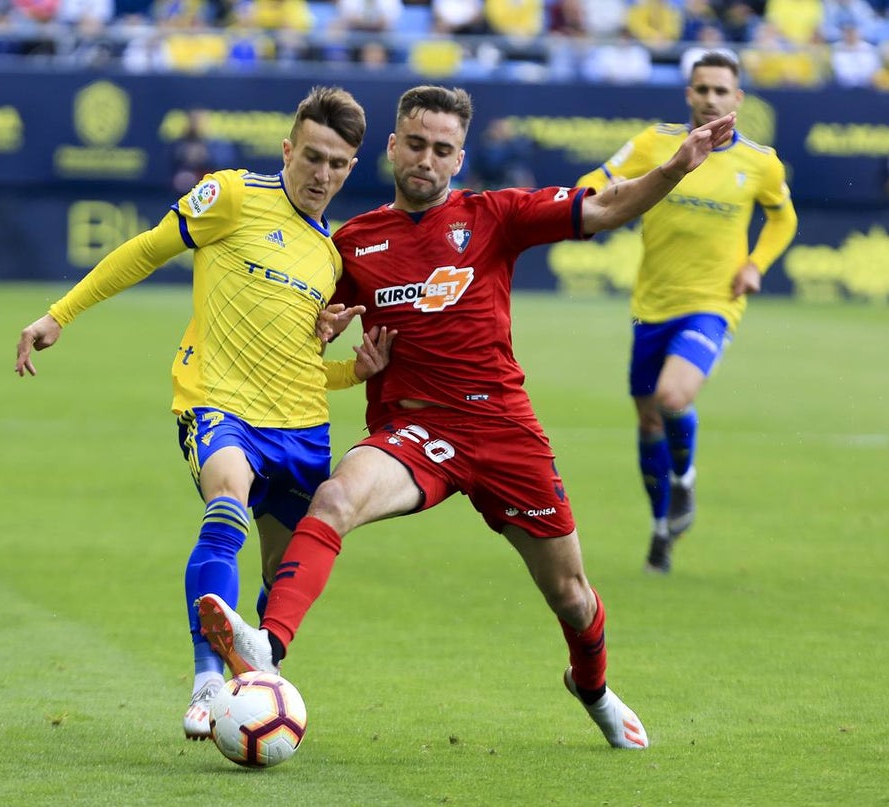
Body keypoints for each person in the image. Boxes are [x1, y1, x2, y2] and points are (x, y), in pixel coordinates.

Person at [196, 85, 736, 750]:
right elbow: (301, 326)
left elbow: (605, 207)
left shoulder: (497, 216)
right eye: (415, 144)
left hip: (503, 430)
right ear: (393, 147)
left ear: (459, 159)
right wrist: (323, 327)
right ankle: (268, 649)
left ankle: (591, 686)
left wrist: (676, 167)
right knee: (333, 497)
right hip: (414, 433)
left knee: (571, 594)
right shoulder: (354, 243)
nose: (426, 158)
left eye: (441, 149)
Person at [13, 86, 394, 741]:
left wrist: (350, 372)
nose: (322, 173)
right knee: (225, 505)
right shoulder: (235, 196)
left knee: (282, 582)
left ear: (352, 167)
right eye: (312, 156)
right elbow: (147, 248)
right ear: (287, 148)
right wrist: (59, 314)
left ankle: (258, 678)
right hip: (219, 404)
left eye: (337, 163)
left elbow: (300, 359)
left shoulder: (330, 256)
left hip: (301, 428)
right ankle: (206, 683)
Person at [576, 51, 798, 574]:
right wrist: (579, 203)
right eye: (702, 89)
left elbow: (783, 220)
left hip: (713, 304)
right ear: (689, 95)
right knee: (648, 420)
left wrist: (756, 264)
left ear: (738, 100)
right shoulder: (656, 143)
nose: (711, 99)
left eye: (722, 90)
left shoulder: (761, 162)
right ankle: (660, 530)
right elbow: (596, 177)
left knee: (673, 397)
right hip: (651, 304)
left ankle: (685, 480)